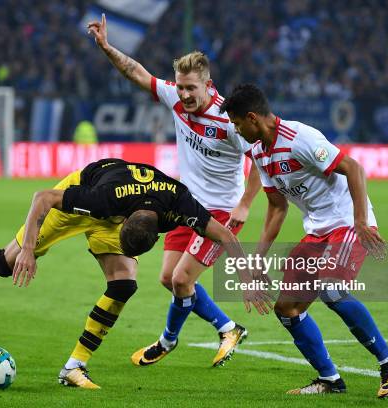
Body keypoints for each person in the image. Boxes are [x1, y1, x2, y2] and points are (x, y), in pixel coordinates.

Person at [0, 158, 269, 389]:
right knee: (6, 263)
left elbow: (222, 233)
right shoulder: (100, 200)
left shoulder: (179, 200)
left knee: (124, 283)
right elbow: (41, 198)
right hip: (78, 197)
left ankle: (74, 368)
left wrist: (248, 273)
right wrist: (29, 250)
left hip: (121, 211)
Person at [88, 14, 262, 368]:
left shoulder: (229, 121)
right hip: (185, 205)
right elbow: (136, 72)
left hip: (220, 212)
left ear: (208, 85)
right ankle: (229, 327)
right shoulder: (176, 100)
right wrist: (107, 48)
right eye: (180, 88)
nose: (183, 95)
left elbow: (260, 159)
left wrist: (245, 204)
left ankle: (169, 340)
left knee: (182, 280)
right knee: (168, 279)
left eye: (190, 89)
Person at [220, 84, 388, 398]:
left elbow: (353, 168)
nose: (237, 132)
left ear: (253, 118)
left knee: (332, 288)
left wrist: (361, 221)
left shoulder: (299, 139)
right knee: (286, 308)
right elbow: (277, 208)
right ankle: (330, 380)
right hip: (318, 229)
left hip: (346, 222)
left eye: (238, 124)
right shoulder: (258, 152)